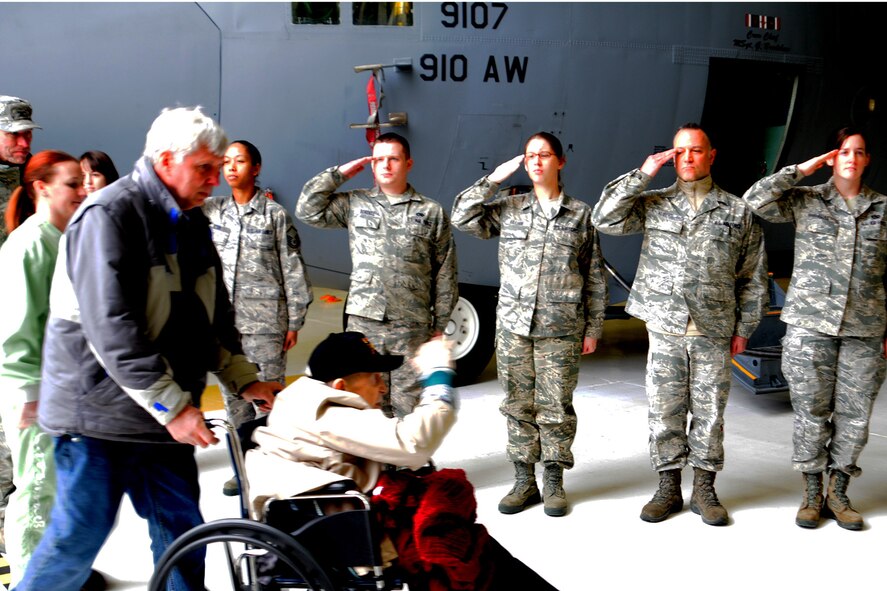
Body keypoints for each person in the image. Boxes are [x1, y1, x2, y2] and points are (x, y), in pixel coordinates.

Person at [14, 106, 282, 591]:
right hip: (95, 417)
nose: (215, 180)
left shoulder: (192, 223)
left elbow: (212, 320)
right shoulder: (109, 215)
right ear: (165, 160)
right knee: (77, 538)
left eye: (218, 168)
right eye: (205, 168)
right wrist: (174, 407)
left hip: (159, 418)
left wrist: (245, 378)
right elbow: (111, 329)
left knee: (183, 535)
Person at [247, 332, 556, 591]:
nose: (383, 387)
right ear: (340, 386)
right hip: (346, 533)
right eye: (374, 378)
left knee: (478, 548)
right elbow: (413, 443)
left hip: (338, 518)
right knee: (470, 552)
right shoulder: (327, 412)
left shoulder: (304, 400)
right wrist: (438, 378)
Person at [592, 123, 768, 526]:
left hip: (714, 327)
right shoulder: (653, 202)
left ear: (711, 155)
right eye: (679, 151)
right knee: (664, 409)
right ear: (672, 157)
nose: (687, 158)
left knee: (709, 412)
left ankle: (704, 489)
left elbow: (753, 275)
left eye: (695, 150)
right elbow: (604, 218)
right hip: (666, 326)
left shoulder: (736, 211)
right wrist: (643, 173)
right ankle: (668, 486)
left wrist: (744, 328)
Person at [451, 132, 608, 517]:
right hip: (514, 326)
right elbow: (462, 216)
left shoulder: (580, 214)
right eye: (529, 156)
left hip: (562, 327)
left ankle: (553, 480)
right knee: (518, 405)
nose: (536, 161)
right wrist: (493, 180)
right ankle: (524, 481)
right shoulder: (509, 208)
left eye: (544, 155)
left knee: (555, 407)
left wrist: (593, 328)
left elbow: (593, 276)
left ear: (560, 162)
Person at [742, 127, 885, 531]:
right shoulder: (806, 200)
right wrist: (803, 169)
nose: (851, 158)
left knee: (855, 415)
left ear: (867, 160)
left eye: (859, 152)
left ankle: (838, 492)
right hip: (809, 327)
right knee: (811, 413)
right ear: (831, 157)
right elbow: (755, 200)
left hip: (865, 329)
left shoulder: (882, 209)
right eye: (843, 152)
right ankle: (810, 492)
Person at [296, 132, 457, 419]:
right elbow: (307, 209)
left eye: (393, 159)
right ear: (371, 165)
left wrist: (439, 324)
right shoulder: (356, 203)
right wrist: (340, 174)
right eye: (378, 159)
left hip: (411, 324)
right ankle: (371, 465)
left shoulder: (431, 212)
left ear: (408, 163)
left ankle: (410, 464)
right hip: (364, 323)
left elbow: (445, 272)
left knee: (410, 405)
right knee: (365, 405)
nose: (386, 165)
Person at [203, 140, 313, 495]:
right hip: (225, 328)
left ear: (256, 168)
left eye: (240, 161)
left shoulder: (274, 215)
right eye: (227, 162)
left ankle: (275, 467)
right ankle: (243, 468)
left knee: (267, 404)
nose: (231, 167)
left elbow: (293, 268)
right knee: (235, 403)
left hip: (266, 325)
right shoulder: (211, 211)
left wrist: (295, 320)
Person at [0, 151, 86, 587]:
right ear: (42, 187)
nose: (82, 191)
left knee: (57, 492)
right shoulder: (30, 244)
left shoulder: (61, 237)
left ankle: (52, 575)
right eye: (72, 183)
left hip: (62, 392)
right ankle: (30, 580)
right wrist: (30, 398)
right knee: (35, 494)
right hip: (35, 397)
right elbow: (15, 334)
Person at [0, 94, 39, 557]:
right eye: (13, 134)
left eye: (27, 133)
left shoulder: (32, 181)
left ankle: (19, 520)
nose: (23, 142)